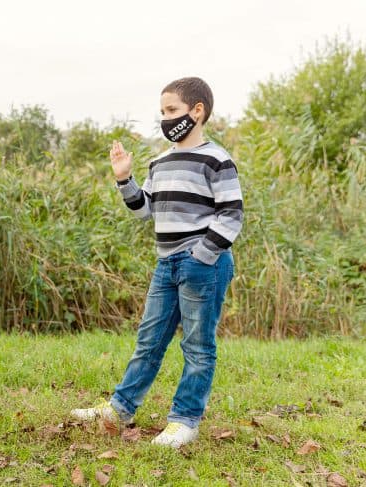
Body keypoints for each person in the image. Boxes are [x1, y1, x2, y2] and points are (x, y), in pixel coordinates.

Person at [71, 77, 243, 448]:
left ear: (197, 111)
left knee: (197, 346)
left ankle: (185, 420)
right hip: (166, 265)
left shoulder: (217, 159)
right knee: (149, 341)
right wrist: (124, 180)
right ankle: (120, 408)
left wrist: (202, 254)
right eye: (162, 112)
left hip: (204, 264)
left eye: (172, 111)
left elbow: (232, 214)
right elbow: (144, 210)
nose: (165, 119)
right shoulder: (160, 161)